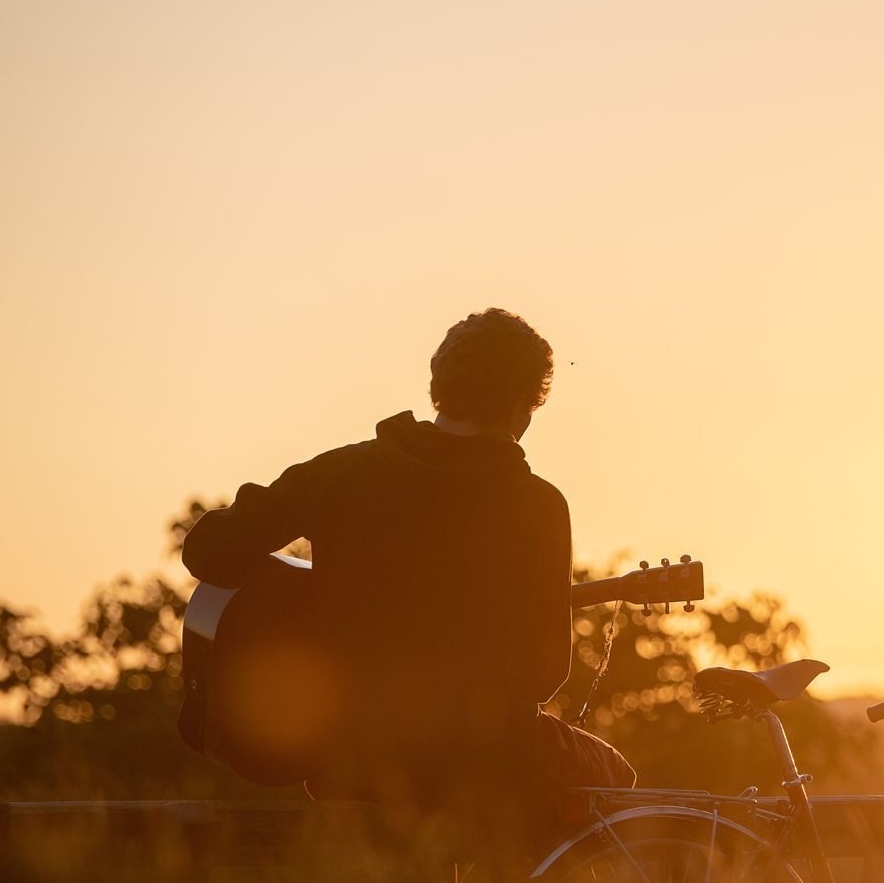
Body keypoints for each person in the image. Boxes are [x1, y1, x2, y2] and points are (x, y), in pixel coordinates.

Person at [182, 308, 635, 846]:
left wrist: (300, 596)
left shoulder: (343, 472)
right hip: (479, 760)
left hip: (347, 755)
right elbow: (544, 673)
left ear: (439, 386)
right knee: (617, 783)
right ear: (523, 406)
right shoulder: (538, 505)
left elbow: (208, 550)